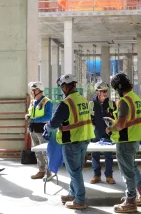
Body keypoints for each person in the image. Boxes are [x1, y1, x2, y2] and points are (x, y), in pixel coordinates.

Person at [44, 74, 94, 210]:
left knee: (74, 171)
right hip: (84, 139)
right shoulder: (83, 99)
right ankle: (73, 194)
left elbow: (54, 123)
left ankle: (80, 200)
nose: (62, 89)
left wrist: (46, 126)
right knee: (76, 170)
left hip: (72, 140)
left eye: (62, 86)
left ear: (66, 86)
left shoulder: (66, 103)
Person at [106, 73, 141, 213]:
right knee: (132, 167)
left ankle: (130, 200)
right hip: (136, 137)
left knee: (127, 171)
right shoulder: (136, 98)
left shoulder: (125, 101)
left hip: (126, 139)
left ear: (119, 88)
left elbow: (120, 125)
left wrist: (109, 127)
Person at [89, 81, 116, 184]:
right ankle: (96, 175)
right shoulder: (91, 104)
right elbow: (89, 119)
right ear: (97, 92)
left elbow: (115, 118)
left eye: (106, 91)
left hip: (108, 133)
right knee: (94, 155)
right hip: (95, 133)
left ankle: (109, 176)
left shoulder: (111, 104)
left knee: (108, 155)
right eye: (103, 91)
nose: (106, 93)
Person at [26, 81, 53, 179]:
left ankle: (49, 172)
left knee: (45, 152)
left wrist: (34, 119)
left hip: (42, 131)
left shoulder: (47, 102)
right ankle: (41, 171)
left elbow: (48, 117)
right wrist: (28, 116)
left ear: (39, 90)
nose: (32, 92)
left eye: (34, 90)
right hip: (33, 130)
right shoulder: (33, 102)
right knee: (37, 152)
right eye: (32, 90)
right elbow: (32, 113)